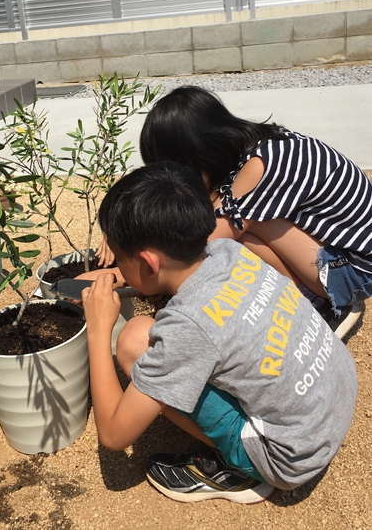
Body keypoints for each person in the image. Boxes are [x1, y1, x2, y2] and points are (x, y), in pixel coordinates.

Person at [82, 162, 357, 504]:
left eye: (120, 260)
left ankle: (239, 470)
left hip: (288, 457)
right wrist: (132, 277)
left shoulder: (188, 328)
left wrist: (98, 328)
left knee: (134, 342)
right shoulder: (229, 251)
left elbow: (113, 433)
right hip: (336, 391)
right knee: (158, 335)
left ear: (150, 263)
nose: (117, 268)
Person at [97, 85, 372, 339]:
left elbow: (206, 236)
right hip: (338, 251)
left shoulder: (261, 167)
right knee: (235, 218)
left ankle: (319, 307)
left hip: (350, 273)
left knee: (236, 231)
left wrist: (126, 269)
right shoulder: (256, 145)